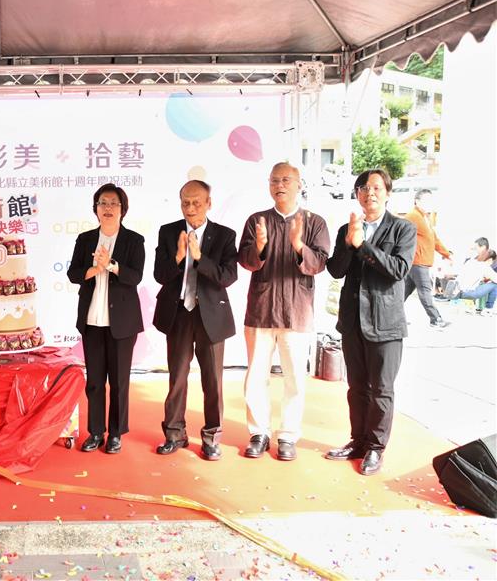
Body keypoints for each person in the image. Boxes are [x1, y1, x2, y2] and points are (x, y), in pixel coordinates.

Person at [325, 169, 416, 476]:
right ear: (357, 194)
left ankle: (376, 447)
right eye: (363, 188)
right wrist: (350, 243)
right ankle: (358, 441)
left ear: (388, 193)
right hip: (352, 321)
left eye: (376, 187)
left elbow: (399, 269)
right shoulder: (347, 228)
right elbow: (336, 270)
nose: (370, 192)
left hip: (385, 322)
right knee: (356, 387)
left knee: (382, 389)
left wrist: (363, 245)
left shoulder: (403, 228)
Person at [237, 163, 331, 461]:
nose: (280, 185)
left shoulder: (315, 222)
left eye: (286, 180)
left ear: (299, 184)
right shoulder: (257, 220)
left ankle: (288, 435)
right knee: (256, 376)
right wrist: (260, 247)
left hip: (297, 312)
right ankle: (259, 433)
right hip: (261, 309)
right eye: (275, 180)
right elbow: (245, 261)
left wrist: (298, 244)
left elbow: (319, 264)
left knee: (294, 379)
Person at [152, 180, 238, 460]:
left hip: (210, 315)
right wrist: (179, 257)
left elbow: (228, 276)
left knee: (212, 381)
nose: (190, 208)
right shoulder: (168, 232)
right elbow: (160, 275)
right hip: (178, 312)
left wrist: (200, 258)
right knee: (177, 377)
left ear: (209, 203)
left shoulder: (224, 235)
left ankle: (212, 437)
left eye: (197, 203)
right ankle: (174, 434)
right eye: (185, 203)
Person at [67, 183, 145, 455]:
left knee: (120, 382)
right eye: (103, 203)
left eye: (114, 203)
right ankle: (96, 432)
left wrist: (110, 265)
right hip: (92, 321)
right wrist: (94, 268)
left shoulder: (134, 240)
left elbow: (135, 277)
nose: (108, 208)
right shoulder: (86, 239)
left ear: (123, 209)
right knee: (95, 381)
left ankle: (116, 433)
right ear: (96, 208)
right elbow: (73, 274)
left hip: (122, 323)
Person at [403, 189, 452, 328]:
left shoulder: (425, 218)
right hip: (418, 262)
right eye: (426, 200)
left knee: (403, 293)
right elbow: (401, 235)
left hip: (419, 262)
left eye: (431, 200)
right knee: (425, 291)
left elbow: (434, 239)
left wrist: (447, 254)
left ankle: (392, 318)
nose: (430, 203)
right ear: (417, 201)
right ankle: (436, 320)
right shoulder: (412, 216)